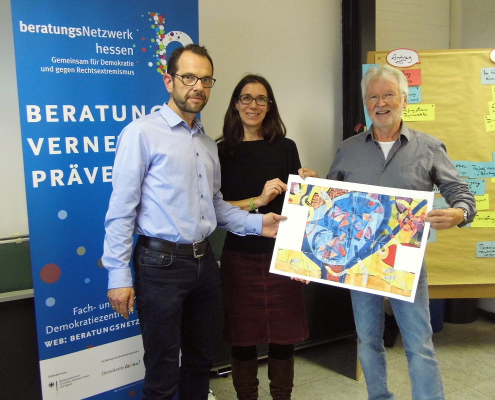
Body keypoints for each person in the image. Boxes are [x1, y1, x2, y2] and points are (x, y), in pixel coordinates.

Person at [102, 45, 286, 400]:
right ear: (169, 80)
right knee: (163, 367)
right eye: (188, 78)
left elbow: (214, 207)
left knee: (201, 361)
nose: (197, 87)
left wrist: (259, 224)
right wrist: (118, 275)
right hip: (160, 266)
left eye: (205, 79)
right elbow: (122, 210)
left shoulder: (206, 143)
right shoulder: (142, 133)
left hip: (204, 265)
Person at [304, 64, 476, 400]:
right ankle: (379, 396)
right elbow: (328, 204)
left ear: (404, 100)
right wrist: (313, 189)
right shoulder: (349, 149)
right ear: (366, 103)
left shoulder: (429, 147)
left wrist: (459, 213)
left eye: (388, 95)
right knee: (368, 340)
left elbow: (462, 195)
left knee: (419, 344)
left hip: (405, 261)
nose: (380, 103)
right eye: (373, 96)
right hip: (358, 264)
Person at [216, 74, 309, 400]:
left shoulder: (286, 148)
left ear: (270, 106)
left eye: (261, 99)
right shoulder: (220, 152)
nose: (253, 105)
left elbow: (299, 206)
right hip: (240, 257)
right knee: (243, 341)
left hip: (282, 257)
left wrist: (309, 186)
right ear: (235, 104)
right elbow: (213, 209)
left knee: (283, 339)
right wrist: (258, 199)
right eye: (246, 98)